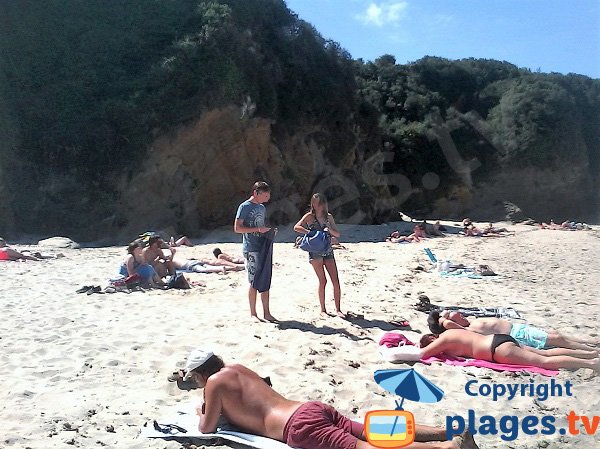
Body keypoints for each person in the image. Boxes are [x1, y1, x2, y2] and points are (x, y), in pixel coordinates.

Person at [183, 348, 479, 449]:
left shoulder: (212, 384)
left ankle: (446, 446)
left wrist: (201, 410)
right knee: (371, 430)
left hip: (296, 428)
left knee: (363, 447)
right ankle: (447, 430)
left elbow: (206, 429)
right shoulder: (236, 368)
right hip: (307, 408)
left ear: (199, 374)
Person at [419, 329, 600, 371]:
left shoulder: (443, 340)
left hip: (496, 350)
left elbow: (424, 354)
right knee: (544, 353)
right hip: (498, 339)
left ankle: (591, 363)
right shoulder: (452, 332)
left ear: (432, 339)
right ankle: (590, 353)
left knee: (544, 362)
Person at [428, 311, 599, 352]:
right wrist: (441, 320)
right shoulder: (465, 329)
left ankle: (590, 343)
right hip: (517, 335)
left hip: (519, 328)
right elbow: (448, 325)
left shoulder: (470, 321)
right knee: (556, 339)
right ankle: (591, 350)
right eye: (450, 315)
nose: (455, 313)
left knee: (556, 336)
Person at [294, 193, 345, 318]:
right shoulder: (309, 216)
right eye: (314, 203)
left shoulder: (328, 217)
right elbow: (296, 227)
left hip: (328, 249)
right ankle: (323, 310)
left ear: (323, 203)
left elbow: (337, 234)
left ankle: (338, 309)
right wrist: (310, 233)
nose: (316, 206)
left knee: (335, 281)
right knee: (323, 280)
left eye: (318, 203)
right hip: (315, 250)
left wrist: (329, 230)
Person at [234, 181, 276, 322]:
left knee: (265, 279)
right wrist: (257, 230)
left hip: (262, 247)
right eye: (265, 196)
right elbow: (237, 228)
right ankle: (253, 313)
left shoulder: (262, 208)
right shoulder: (244, 207)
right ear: (256, 193)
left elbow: (260, 225)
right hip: (250, 248)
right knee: (254, 281)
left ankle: (267, 313)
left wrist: (268, 232)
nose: (267, 198)